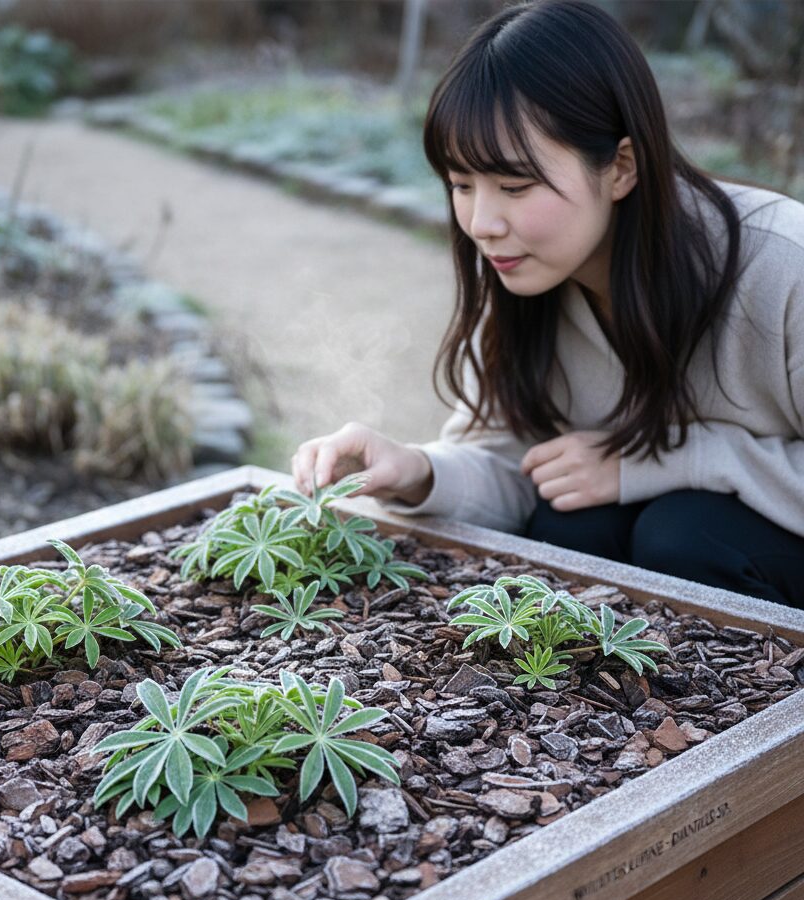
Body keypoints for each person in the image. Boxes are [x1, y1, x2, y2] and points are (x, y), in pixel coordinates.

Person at [291, 0, 804, 610]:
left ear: (620, 167)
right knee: (569, 523)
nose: (482, 223)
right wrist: (415, 471)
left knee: (686, 537)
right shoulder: (526, 271)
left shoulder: (782, 266)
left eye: (514, 186)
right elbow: (517, 465)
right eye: (460, 185)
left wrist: (663, 460)